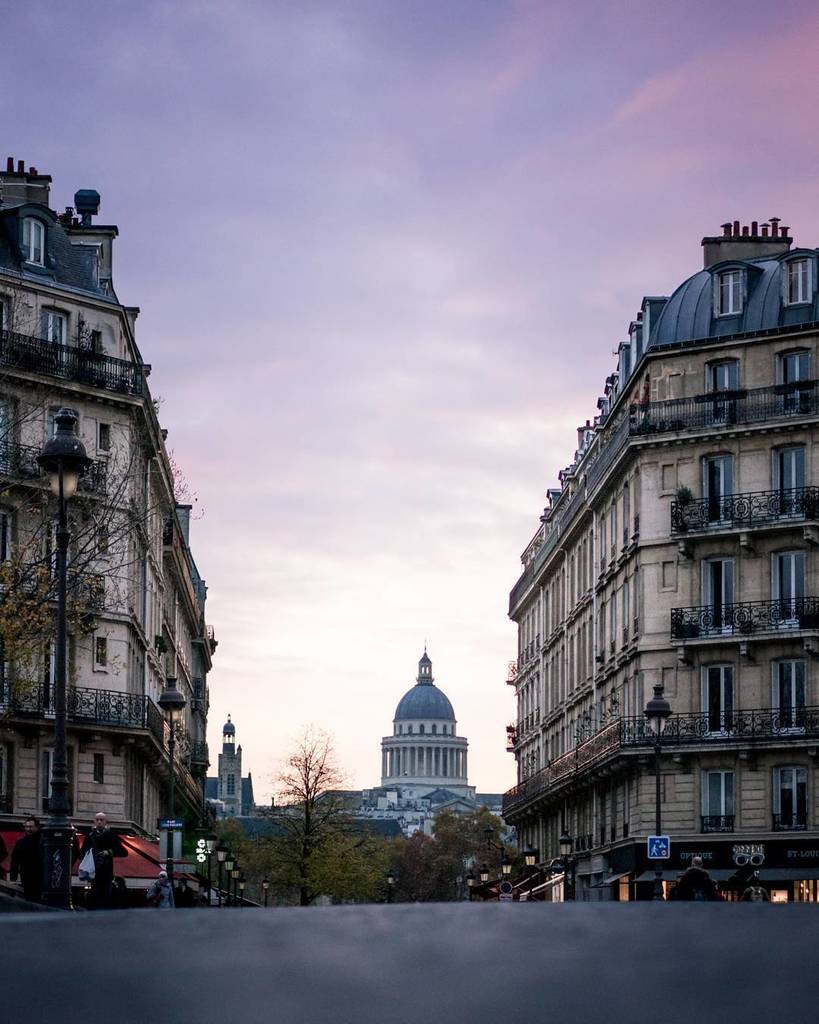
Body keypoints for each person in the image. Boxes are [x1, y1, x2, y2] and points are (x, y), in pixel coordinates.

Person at [76, 811, 126, 910]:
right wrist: (90, 854)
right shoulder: (90, 835)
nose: (99, 822)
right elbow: (82, 853)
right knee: (94, 894)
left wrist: (108, 852)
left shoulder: (111, 835)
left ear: (105, 822)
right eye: (97, 820)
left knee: (105, 895)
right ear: (94, 821)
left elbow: (123, 852)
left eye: (101, 820)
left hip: (106, 871)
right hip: (93, 870)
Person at [9, 817, 42, 904]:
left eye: (30, 827)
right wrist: (13, 878)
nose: (28, 829)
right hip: (27, 878)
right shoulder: (21, 842)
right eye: (26, 827)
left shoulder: (43, 841)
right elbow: (15, 861)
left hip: (40, 877)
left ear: (37, 827)